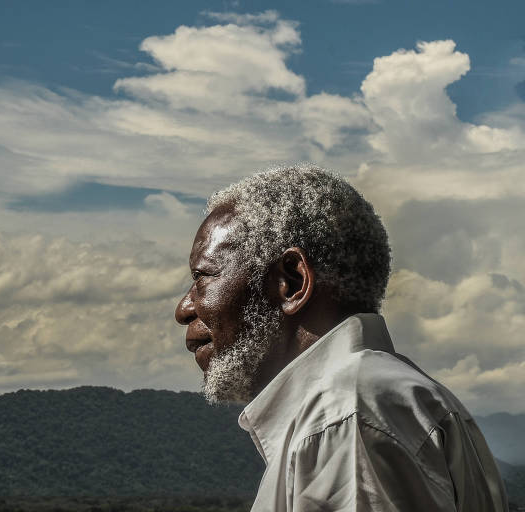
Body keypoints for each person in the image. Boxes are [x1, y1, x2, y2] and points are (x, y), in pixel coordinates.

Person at [174, 164, 508, 511]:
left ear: (291, 282)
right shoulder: (380, 400)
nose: (184, 308)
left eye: (203, 276)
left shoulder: (345, 414)